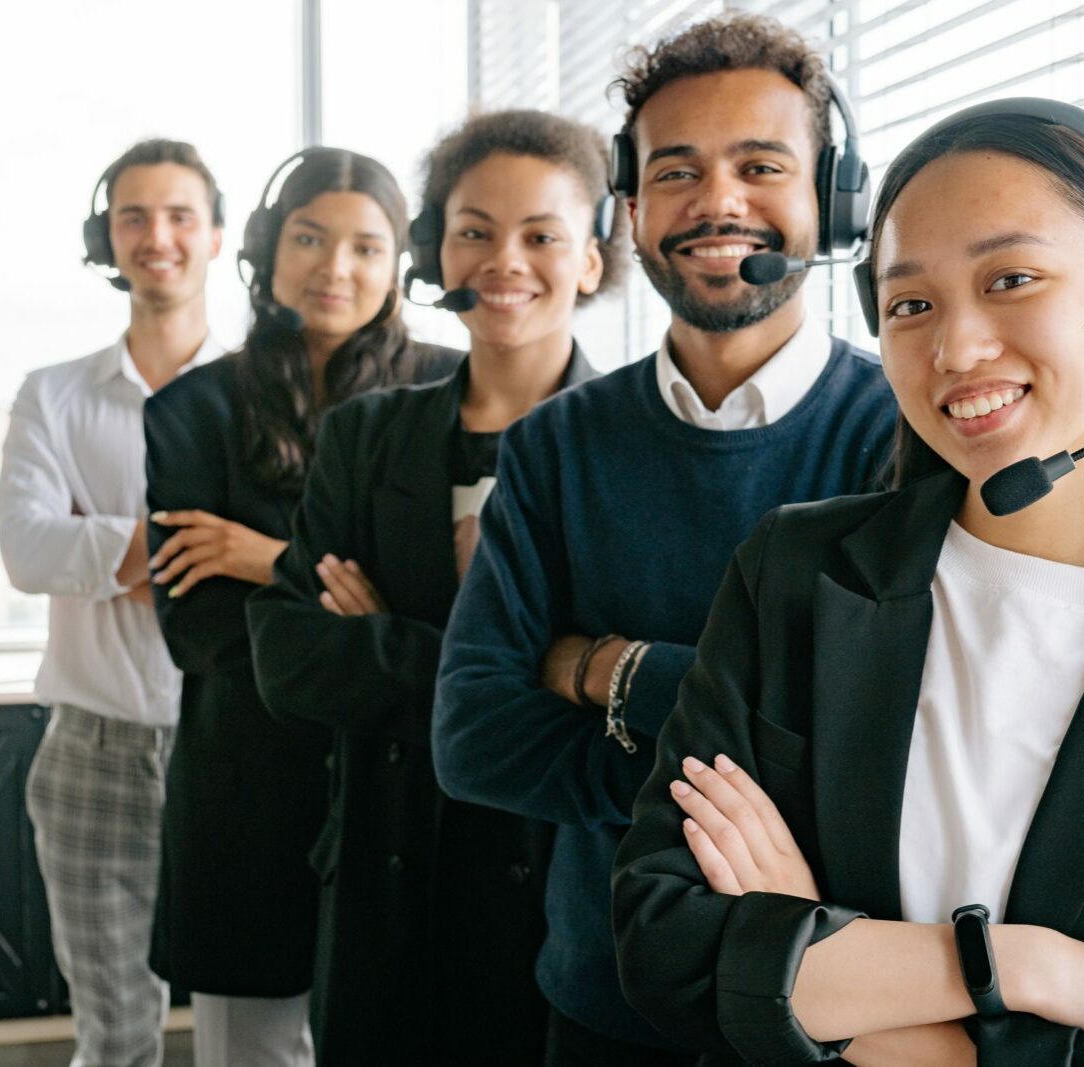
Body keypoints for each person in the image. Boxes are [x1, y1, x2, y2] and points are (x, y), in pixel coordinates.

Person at [612, 100, 1084, 1065]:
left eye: (1010, 279)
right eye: (909, 304)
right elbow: (665, 942)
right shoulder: (796, 575)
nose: (955, 348)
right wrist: (1025, 966)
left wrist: (839, 987)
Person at [432, 13, 898, 1064]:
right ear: (632, 210)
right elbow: (472, 736)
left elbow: (875, 754)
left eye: (760, 165)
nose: (717, 201)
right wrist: (749, 763)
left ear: (829, 197)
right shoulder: (552, 445)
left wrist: (603, 666)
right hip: (600, 1001)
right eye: (677, 171)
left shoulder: (905, 442)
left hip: (827, 1004)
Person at [245, 109, 622, 1066]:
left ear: (590, 259)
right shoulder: (365, 436)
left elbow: (635, 694)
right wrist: (526, 669)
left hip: (560, 894)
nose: (506, 259)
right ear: (435, 251)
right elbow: (289, 658)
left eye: (541, 234)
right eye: (474, 230)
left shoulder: (632, 447)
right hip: (385, 877)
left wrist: (392, 639)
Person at [143, 146, 458, 1067]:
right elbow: (198, 629)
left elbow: (458, 624)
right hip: (244, 777)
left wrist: (269, 558)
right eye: (310, 239)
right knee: (247, 1048)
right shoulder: (192, 408)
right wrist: (362, 618)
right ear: (266, 253)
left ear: (401, 262)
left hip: (407, 782)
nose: (336, 268)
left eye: (367, 246)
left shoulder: (455, 391)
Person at [0, 139, 223, 1067]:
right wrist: (196, 543)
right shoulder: (53, 395)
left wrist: (107, 538)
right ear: (107, 235)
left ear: (215, 236)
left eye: (178, 215)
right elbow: (27, 549)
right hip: (91, 745)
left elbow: (289, 559)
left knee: (257, 1025)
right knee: (115, 1033)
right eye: (133, 215)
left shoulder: (261, 391)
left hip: (236, 740)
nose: (156, 236)